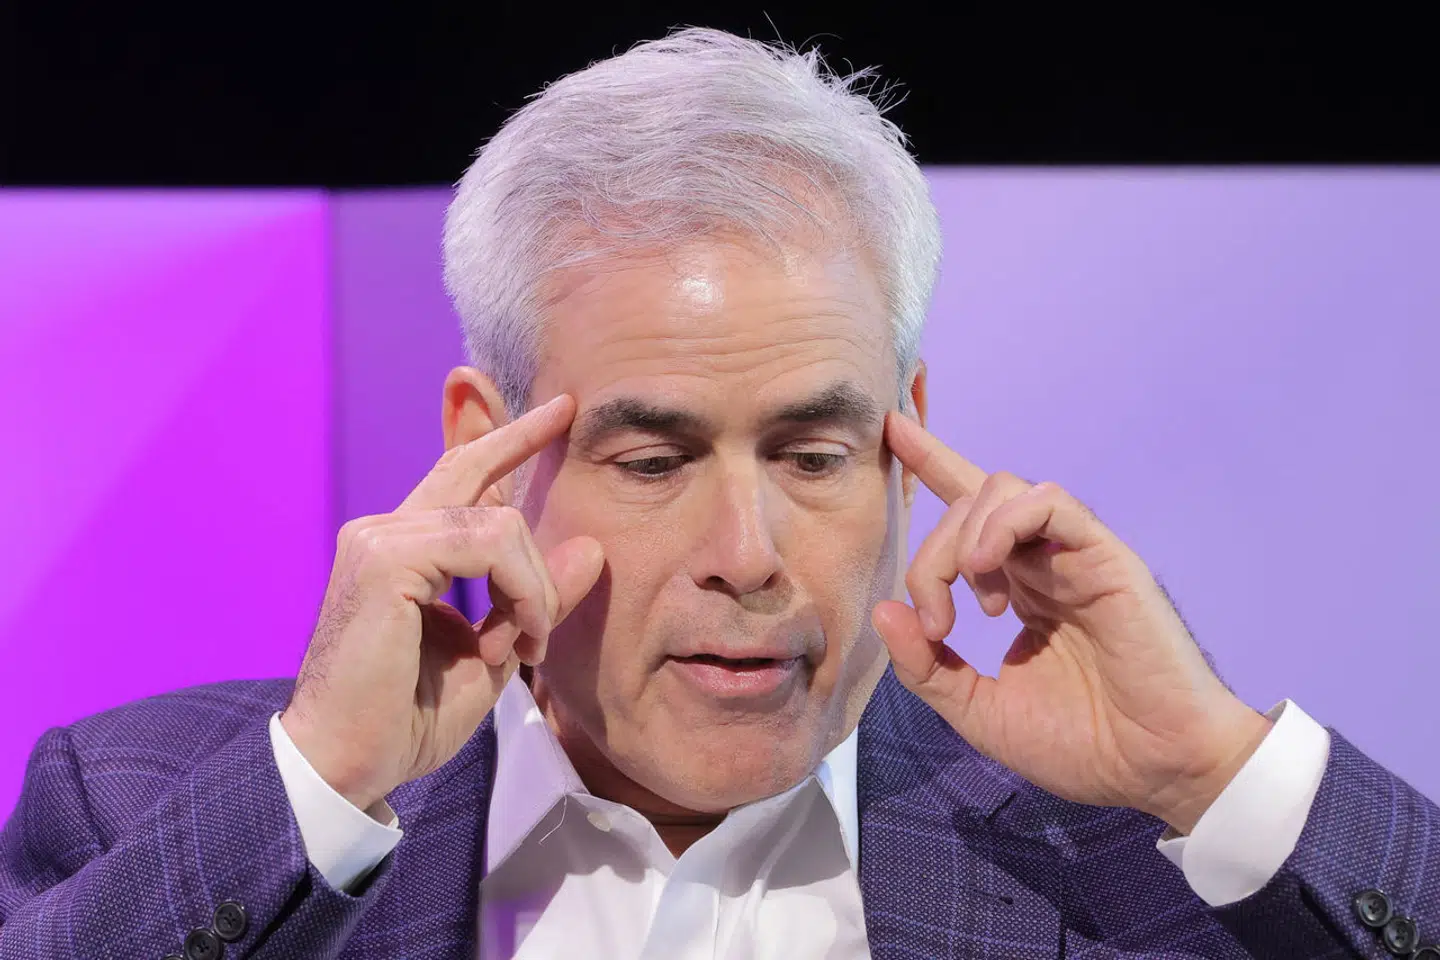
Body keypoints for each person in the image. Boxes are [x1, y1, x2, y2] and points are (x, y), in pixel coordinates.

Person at [1, 27, 1435, 960]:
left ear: (907, 436)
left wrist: (1211, 769)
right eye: (654, 460)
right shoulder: (144, 807)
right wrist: (317, 785)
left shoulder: (1162, 859)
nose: (747, 554)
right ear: (485, 453)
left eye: (813, 457)